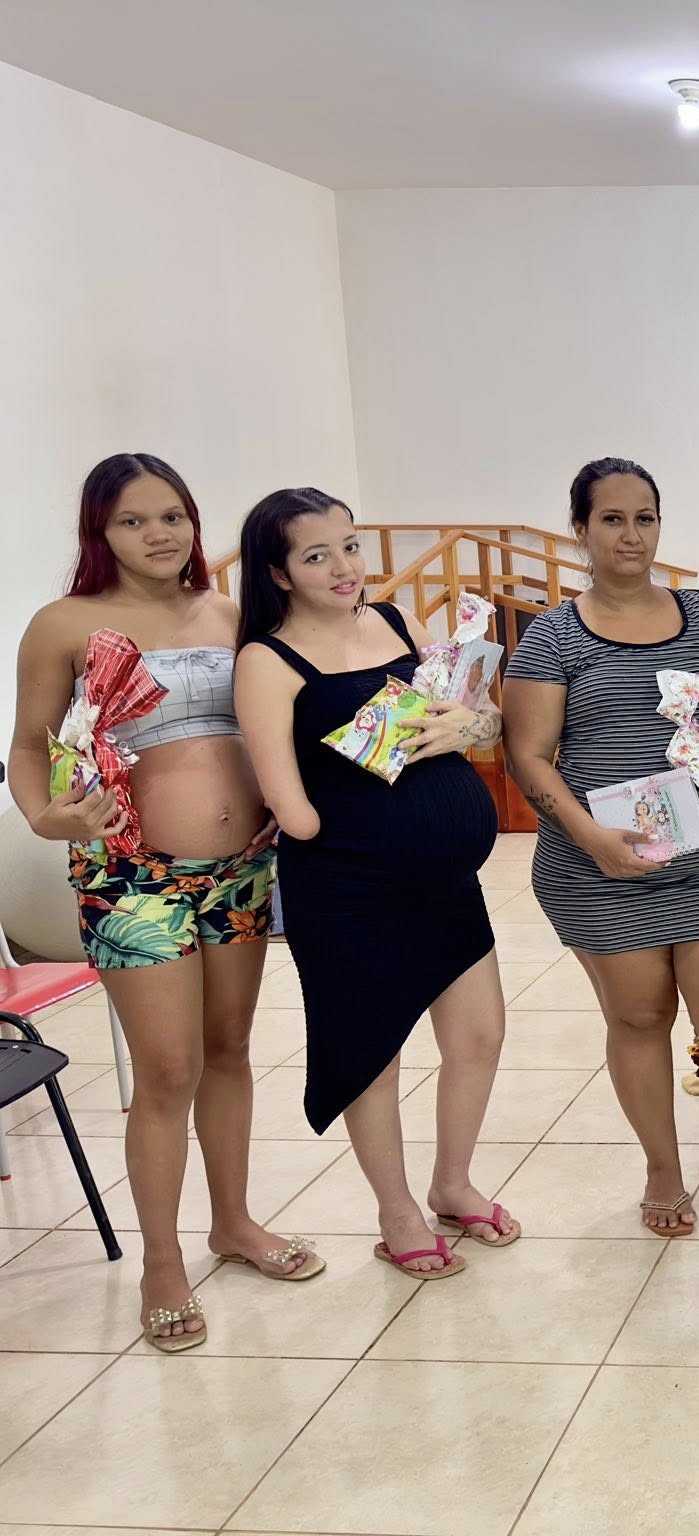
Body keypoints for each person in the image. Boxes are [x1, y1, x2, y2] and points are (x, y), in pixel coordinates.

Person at [8, 454, 314, 1352]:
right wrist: (46, 816)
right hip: (130, 877)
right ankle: (162, 1261)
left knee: (229, 1050)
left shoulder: (232, 614)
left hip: (241, 872)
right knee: (168, 1071)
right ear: (99, 533)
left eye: (172, 515)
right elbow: (27, 747)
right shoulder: (64, 623)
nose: (158, 534)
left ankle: (234, 1222)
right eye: (133, 521)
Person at [502, 458, 699, 1232]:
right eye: (612, 519)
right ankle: (663, 1169)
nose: (631, 535)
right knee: (639, 1019)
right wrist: (593, 838)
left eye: (645, 518)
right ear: (581, 530)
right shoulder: (552, 638)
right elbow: (527, 756)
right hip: (601, 869)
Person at [235, 488, 517, 1278]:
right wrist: (351, 781)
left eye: (350, 546)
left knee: (479, 1034)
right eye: (316, 555)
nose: (344, 566)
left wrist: (467, 726)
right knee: (372, 1052)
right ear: (279, 573)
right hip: (348, 893)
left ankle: (452, 1183)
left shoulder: (398, 623)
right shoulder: (266, 660)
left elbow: (480, 721)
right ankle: (397, 1214)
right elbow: (293, 812)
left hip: (444, 884)